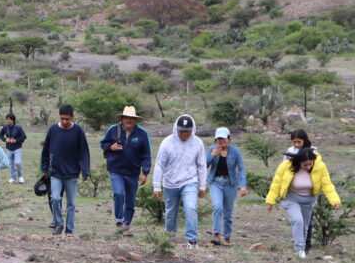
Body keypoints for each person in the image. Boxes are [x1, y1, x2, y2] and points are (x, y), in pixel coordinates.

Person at [266, 148, 340, 258]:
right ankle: (299, 249)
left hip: (308, 200)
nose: (308, 167)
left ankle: (302, 250)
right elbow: (276, 183)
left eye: (310, 164)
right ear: (299, 162)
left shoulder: (320, 166)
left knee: (305, 227)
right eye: (305, 165)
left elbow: (327, 184)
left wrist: (334, 200)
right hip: (291, 199)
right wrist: (270, 201)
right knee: (297, 220)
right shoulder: (286, 166)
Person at [152, 114, 207, 248]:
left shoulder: (197, 143)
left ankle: (192, 240)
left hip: (189, 181)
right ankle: (170, 237)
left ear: (192, 130)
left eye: (187, 131)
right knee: (170, 212)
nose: (184, 134)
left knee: (191, 208)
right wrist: (156, 186)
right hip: (170, 182)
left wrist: (202, 185)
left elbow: (201, 165)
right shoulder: (167, 142)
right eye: (181, 131)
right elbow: (159, 165)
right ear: (176, 129)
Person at [40, 105, 90, 236]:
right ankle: (58, 224)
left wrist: (85, 170)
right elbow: (45, 150)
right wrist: (44, 167)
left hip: (72, 174)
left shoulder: (78, 130)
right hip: (55, 173)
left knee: (71, 203)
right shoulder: (53, 130)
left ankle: (70, 229)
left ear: (72, 117)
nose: (64, 122)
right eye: (62, 118)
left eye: (67, 119)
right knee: (55, 198)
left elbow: (84, 151)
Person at [100, 106, 151, 230]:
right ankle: (119, 221)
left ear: (135, 120)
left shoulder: (142, 133)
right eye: (126, 117)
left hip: (133, 172)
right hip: (116, 170)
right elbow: (103, 144)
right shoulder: (113, 130)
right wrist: (111, 147)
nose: (129, 120)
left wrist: (145, 172)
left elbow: (146, 154)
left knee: (130, 199)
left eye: (131, 118)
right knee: (118, 193)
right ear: (122, 119)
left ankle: (127, 223)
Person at [206, 127, 247, 245]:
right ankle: (216, 234)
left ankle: (227, 236)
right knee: (217, 207)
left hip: (230, 184)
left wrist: (242, 185)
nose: (221, 141)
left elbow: (242, 169)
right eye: (219, 139)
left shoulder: (235, 151)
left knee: (228, 212)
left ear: (228, 138)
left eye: (223, 138)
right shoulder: (211, 150)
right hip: (215, 183)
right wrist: (212, 155)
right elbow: (203, 165)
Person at [284, 129, 318, 253]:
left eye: (299, 142)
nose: (297, 145)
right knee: (298, 220)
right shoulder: (290, 152)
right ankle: (300, 246)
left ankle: (306, 244)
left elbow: (318, 170)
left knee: (307, 221)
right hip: (293, 192)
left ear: (305, 140)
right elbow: (284, 171)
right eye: (294, 142)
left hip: (309, 192)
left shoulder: (313, 152)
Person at [0, 113, 27, 184]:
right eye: (7, 119)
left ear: (13, 120)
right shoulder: (5, 127)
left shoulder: (18, 127)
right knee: (10, 164)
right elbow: (0, 135)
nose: (7, 121)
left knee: (17, 162)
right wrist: (5, 139)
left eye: (9, 119)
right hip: (9, 148)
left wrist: (16, 140)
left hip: (17, 148)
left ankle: (20, 176)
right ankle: (13, 178)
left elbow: (24, 136)